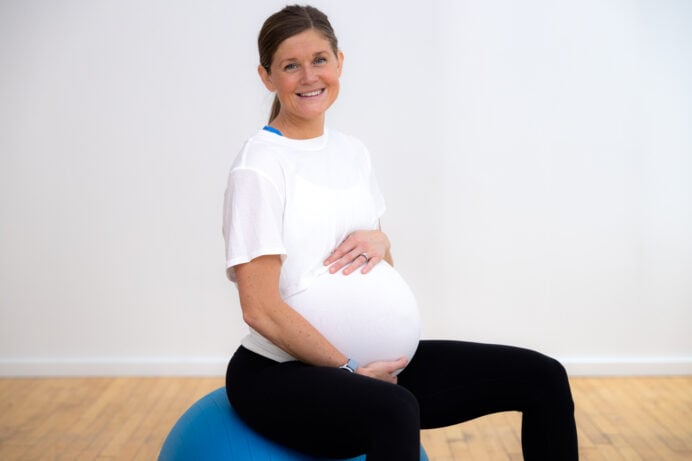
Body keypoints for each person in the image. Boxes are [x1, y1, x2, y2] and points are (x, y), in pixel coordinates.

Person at [222, 5, 579, 461]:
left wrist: (383, 242)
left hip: (376, 369)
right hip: (278, 373)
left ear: (340, 63)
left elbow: (373, 266)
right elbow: (260, 309)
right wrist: (348, 370)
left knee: (543, 376)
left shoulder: (352, 153)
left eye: (320, 60)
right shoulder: (260, 166)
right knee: (394, 409)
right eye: (291, 65)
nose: (309, 76)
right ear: (267, 77)